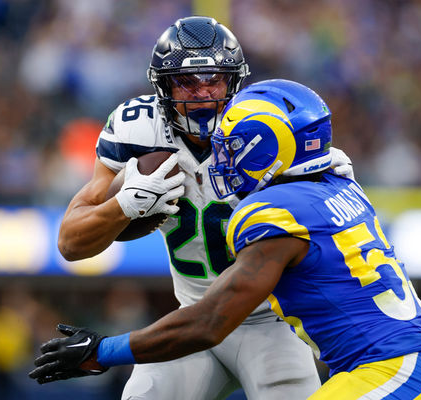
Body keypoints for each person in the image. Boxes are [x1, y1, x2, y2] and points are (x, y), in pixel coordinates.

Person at [30, 79, 421, 399]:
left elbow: (209, 321)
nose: (220, 157)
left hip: (393, 372)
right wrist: (122, 205)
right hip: (411, 369)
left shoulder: (276, 212)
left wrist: (103, 350)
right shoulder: (338, 184)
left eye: (233, 145)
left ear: (267, 149)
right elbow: (73, 241)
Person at [55, 16, 353, 399]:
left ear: (233, 82)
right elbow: (70, 242)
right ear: (163, 86)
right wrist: (124, 206)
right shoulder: (138, 130)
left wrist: (329, 184)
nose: (202, 94)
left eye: (213, 80)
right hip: (190, 314)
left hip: (273, 321)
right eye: (186, 82)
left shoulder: (267, 128)